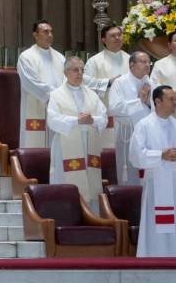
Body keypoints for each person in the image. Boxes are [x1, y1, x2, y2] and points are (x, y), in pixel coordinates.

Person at [130, 85, 176, 257]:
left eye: (175, 99)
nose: (175, 102)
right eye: (171, 99)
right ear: (158, 101)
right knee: (157, 228)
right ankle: (155, 260)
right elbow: (135, 156)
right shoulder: (144, 125)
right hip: (157, 184)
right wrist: (161, 155)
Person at [47, 57, 107, 212]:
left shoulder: (92, 94)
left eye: (82, 70)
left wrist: (91, 120)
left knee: (90, 182)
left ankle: (92, 217)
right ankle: (66, 216)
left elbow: (104, 117)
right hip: (65, 146)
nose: (79, 73)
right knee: (66, 181)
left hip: (89, 145)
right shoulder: (56, 95)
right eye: (75, 70)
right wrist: (76, 120)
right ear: (65, 72)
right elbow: (53, 120)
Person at [16, 20, 66, 148]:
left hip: (59, 108)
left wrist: (63, 96)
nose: (50, 35)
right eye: (45, 32)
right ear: (35, 35)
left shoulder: (60, 58)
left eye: (51, 32)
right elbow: (30, 82)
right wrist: (56, 95)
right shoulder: (26, 57)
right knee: (36, 146)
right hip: (37, 107)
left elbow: (67, 79)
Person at [107, 51, 152, 185]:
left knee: (147, 173)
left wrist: (148, 102)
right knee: (130, 173)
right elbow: (113, 108)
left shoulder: (151, 82)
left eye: (148, 62)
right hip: (127, 133)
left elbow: (157, 107)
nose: (147, 65)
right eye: (142, 62)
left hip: (149, 133)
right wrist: (139, 101)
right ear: (131, 65)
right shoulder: (120, 83)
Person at [83, 25, 129, 148]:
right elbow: (85, 83)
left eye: (119, 35)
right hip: (105, 111)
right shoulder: (94, 61)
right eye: (112, 36)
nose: (117, 38)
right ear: (103, 39)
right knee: (107, 151)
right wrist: (108, 82)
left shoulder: (131, 60)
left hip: (127, 114)